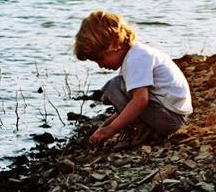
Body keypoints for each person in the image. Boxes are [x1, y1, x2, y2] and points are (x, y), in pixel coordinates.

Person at [73, 10, 192, 145]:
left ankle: (144, 131)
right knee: (118, 86)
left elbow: (140, 101)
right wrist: (105, 126)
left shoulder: (136, 59)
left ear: (115, 44)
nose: (100, 65)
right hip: (171, 115)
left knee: (114, 86)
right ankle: (144, 129)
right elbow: (131, 103)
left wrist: (111, 130)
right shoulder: (135, 54)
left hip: (170, 119)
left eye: (100, 58)